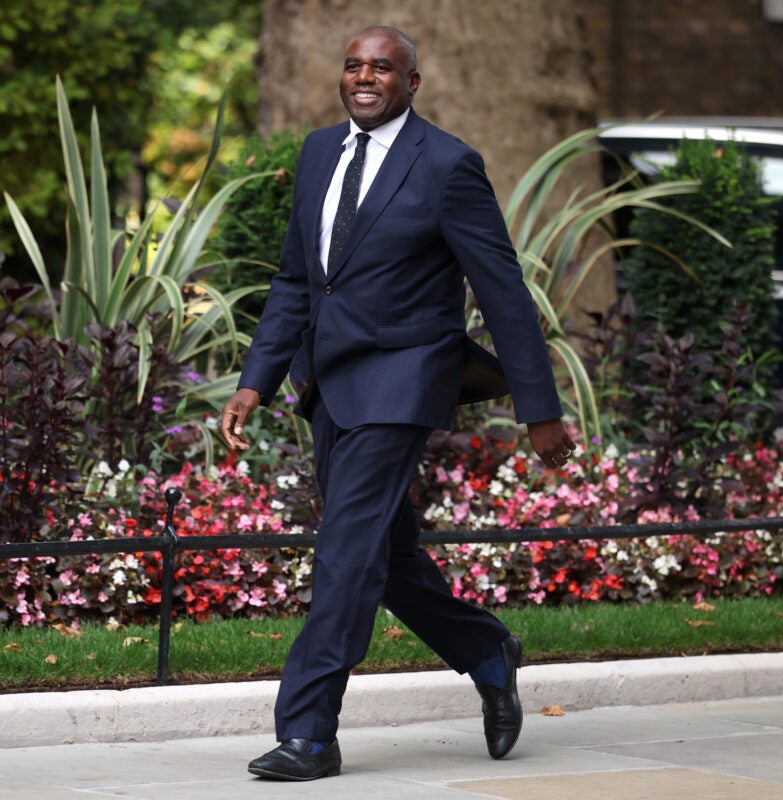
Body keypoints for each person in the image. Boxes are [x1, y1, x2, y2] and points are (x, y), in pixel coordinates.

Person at [221, 25, 576, 782]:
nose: (364, 77)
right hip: (326, 386)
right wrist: (256, 379)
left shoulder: (447, 164)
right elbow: (295, 281)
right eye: (353, 65)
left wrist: (538, 408)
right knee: (389, 558)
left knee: (346, 556)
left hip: (403, 383)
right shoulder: (319, 152)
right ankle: (485, 648)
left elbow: (502, 290)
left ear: (412, 83)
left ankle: (309, 733)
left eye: (382, 67)